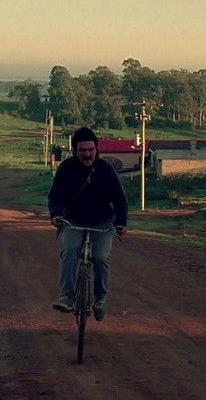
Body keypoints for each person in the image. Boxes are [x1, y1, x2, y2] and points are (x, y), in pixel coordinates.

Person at [48, 127, 128, 321]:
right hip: (73, 220)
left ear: (96, 149)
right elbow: (56, 195)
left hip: (102, 222)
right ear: (75, 151)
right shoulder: (66, 168)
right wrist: (56, 214)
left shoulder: (106, 170)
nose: (87, 154)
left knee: (101, 257)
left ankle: (100, 299)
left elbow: (120, 199)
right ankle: (67, 296)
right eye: (82, 150)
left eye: (91, 149)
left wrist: (121, 222)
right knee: (69, 251)